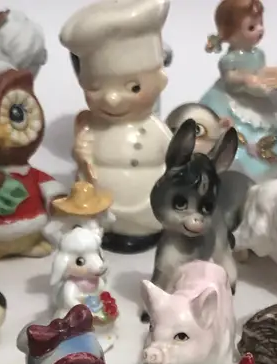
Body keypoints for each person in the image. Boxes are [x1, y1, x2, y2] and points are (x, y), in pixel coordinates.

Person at [60, 0, 173, 255]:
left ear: (160, 82)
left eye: (134, 87)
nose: (112, 99)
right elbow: (81, 162)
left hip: (147, 213)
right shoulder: (88, 126)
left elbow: (175, 160)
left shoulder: (156, 129)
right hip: (99, 213)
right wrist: (80, 154)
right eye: (96, 87)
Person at [201, 0, 277, 179]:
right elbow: (230, 78)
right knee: (237, 131)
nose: (260, 30)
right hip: (236, 97)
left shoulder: (258, 54)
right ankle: (253, 170)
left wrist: (274, 78)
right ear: (230, 34)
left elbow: (261, 71)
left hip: (258, 94)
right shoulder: (229, 59)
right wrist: (245, 78)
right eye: (251, 27)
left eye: (260, 24)